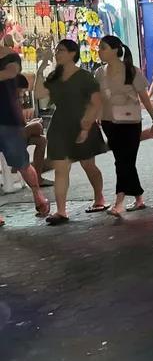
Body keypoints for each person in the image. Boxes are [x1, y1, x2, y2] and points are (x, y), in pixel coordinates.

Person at [36, 40, 107, 224]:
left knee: (88, 165)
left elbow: (96, 102)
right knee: (61, 169)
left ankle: (99, 197)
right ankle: (61, 211)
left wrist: (86, 127)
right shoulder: (54, 76)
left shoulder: (84, 76)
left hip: (82, 124)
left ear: (72, 53)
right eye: (56, 50)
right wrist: (40, 69)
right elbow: (38, 94)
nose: (57, 53)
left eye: (61, 50)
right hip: (60, 127)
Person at [96, 35, 153, 217]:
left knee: (124, 161)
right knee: (123, 160)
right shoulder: (99, 73)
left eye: (103, 48)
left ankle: (119, 201)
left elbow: (144, 97)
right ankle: (139, 198)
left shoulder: (132, 71)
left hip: (130, 123)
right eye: (99, 48)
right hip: (109, 122)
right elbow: (97, 98)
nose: (99, 51)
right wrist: (96, 115)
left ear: (115, 50)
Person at [0, 42, 50, 223]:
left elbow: (10, 73)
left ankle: (38, 195)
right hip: (9, 121)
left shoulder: (10, 57)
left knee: (22, 163)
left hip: (8, 120)